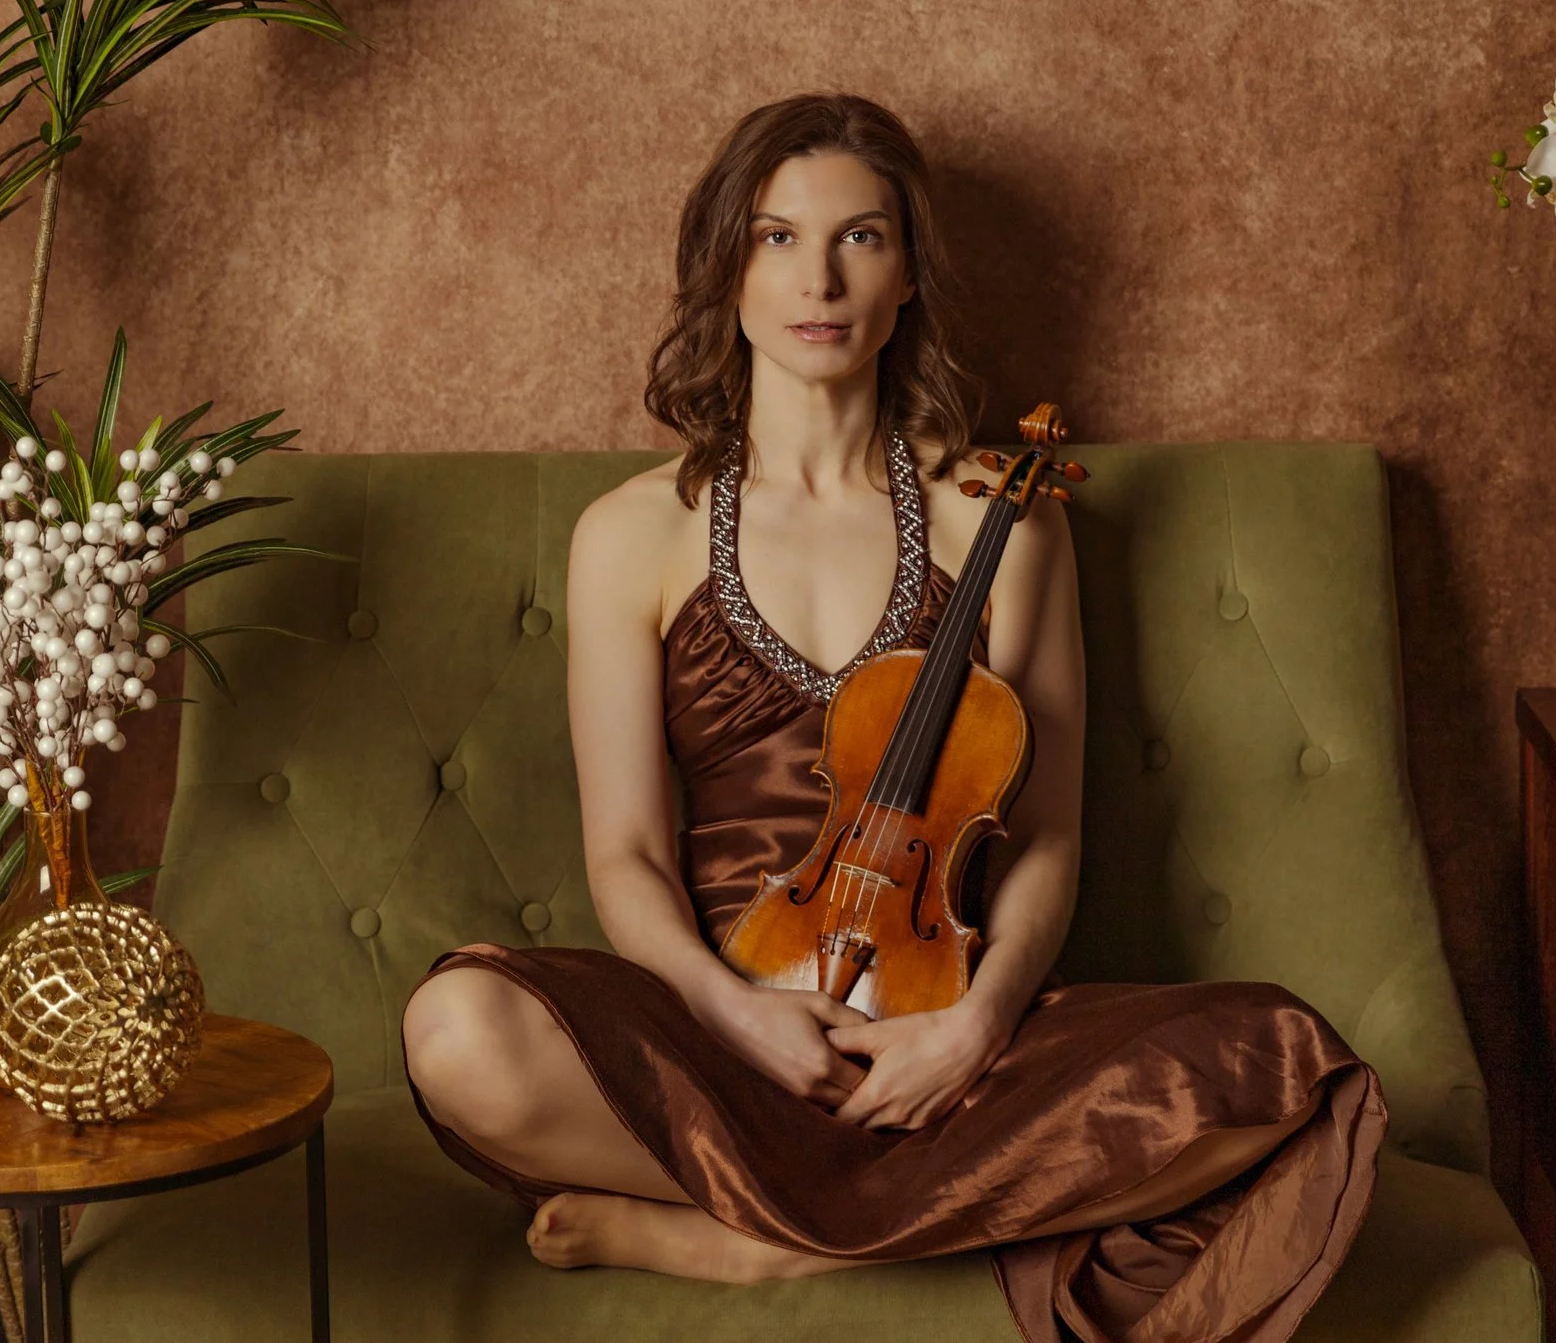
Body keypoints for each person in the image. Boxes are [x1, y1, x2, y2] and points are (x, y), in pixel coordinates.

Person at [400, 94, 1384, 1343]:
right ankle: (894, 1221)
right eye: (774, 237)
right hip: (727, 1037)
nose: (818, 276)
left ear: (909, 268)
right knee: (458, 1029)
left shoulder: (1000, 512)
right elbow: (628, 855)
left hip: (944, 1040)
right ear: (725, 266)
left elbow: (1044, 840)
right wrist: (729, 1009)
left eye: (859, 237)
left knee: (1288, 1072)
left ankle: (764, 1245)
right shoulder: (632, 533)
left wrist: (971, 1029)